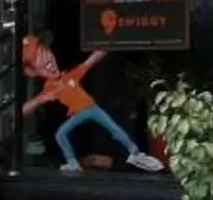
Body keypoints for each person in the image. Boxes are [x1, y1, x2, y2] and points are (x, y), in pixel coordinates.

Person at [23, 34, 164, 177]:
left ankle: (135, 153)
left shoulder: (70, 76)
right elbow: (24, 109)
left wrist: (108, 42)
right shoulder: (50, 87)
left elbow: (91, 60)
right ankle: (72, 162)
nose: (46, 59)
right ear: (31, 72)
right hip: (78, 113)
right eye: (38, 58)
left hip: (92, 108)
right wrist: (42, 99)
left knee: (113, 128)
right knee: (60, 134)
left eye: (45, 52)